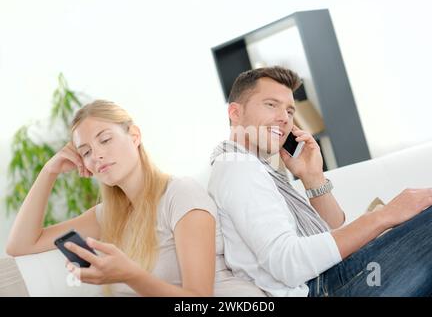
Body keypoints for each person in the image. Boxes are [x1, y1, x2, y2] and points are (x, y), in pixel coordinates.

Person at [208, 66, 432, 297]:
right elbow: (288, 264)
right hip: (324, 288)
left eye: (290, 111)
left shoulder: (267, 170)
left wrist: (313, 177)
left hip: (334, 277)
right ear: (235, 113)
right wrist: (384, 215)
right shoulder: (237, 168)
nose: (284, 118)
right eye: (271, 105)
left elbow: (334, 233)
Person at [4, 100, 265, 297]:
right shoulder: (107, 214)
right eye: (86, 152)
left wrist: (130, 275)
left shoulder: (180, 194)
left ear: (134, 136)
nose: (97, 156)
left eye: (105, 140)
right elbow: (20, 245)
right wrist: (49, 172)